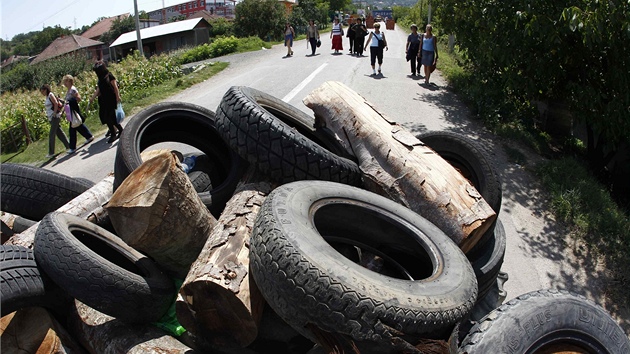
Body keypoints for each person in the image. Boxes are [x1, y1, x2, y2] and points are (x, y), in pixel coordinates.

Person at [89, 61, 123, 143]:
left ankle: (114, 133)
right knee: (109, 118)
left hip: (111, 99)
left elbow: (115, 86)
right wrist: (92, 98)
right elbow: (98, 90)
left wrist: (118, 96)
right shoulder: (100, 79)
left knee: (110, 118)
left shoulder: (109, 75)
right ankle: (118, 131)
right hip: (104, 100)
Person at [62, 75, 94, 153]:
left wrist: (73, 98)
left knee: (72, 128)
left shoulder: (72, 89)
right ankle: (89, 136)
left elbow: (78, 98)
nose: (64, 83)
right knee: (78, 125)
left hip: (74, 110)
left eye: (65, 81)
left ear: (69, 81)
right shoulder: (69, 90)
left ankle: (72, 147)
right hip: (71, 110)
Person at [40, 84, 71, 158]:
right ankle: (69, 146)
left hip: (55, 117)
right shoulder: (47, 97)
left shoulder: (50, 95)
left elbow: (56, 103)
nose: (42, 93)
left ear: (45, 90)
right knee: (59, 133)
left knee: (51, 134)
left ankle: (51, 152)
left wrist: (54, 112)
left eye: (42, 91)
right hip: (51, 117)